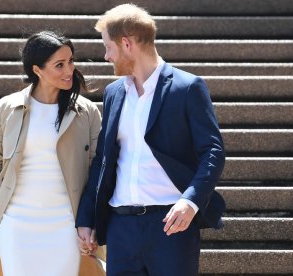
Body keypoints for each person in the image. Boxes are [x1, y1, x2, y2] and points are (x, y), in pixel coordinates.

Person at [76, 4, 226, 276]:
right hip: (121, 228)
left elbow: (212, 151)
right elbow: (103, 160)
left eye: (108, 47)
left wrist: (190, 202)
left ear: (126, 43)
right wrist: (87, 217)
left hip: (171, 225)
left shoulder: (187, 87)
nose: (106, 56)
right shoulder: (113, 94)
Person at [0, 31, 104, 276]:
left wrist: (90, 221)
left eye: (71, 61)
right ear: (37, 70)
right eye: (60, 65)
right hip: (16, 223)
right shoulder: (5, 109)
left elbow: (99, 169)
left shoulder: (86, 112)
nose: (69, 70)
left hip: (66, 224)